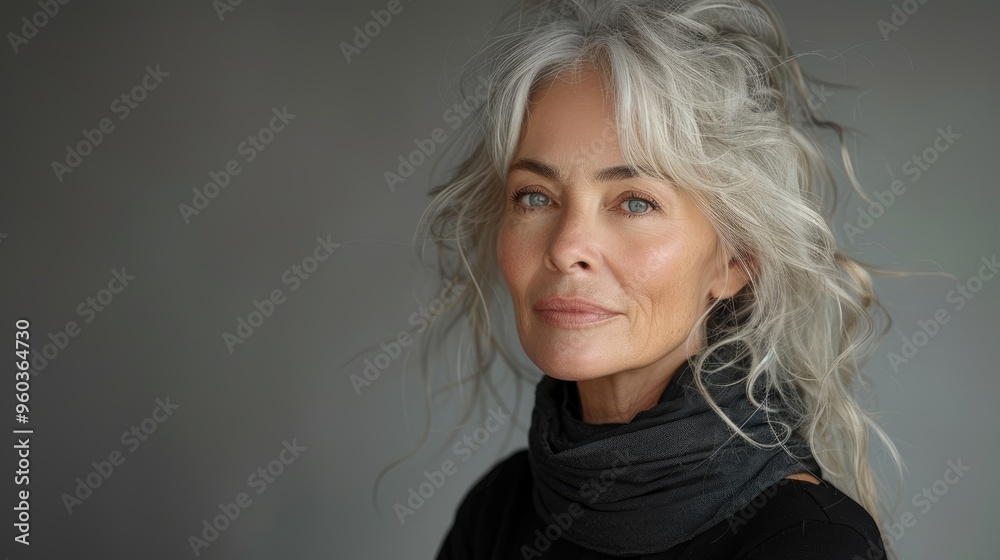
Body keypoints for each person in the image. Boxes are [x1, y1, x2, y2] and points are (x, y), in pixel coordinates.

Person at [407, 0, 903, 557]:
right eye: (535, 197)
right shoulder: (498, 510)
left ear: (736, 260)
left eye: (635, 203)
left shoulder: (810, 541)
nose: (566, 248)